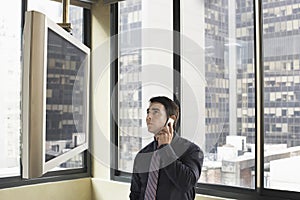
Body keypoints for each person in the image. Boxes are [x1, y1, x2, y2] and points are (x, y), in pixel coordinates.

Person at [129, 96, 204, 200]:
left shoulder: (191, 150)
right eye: (148, 112)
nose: (148, 117)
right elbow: (135, 194)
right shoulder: (142, 155)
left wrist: (165, 149)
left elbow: (186, 183)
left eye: (155, 112)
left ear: (171, 119)